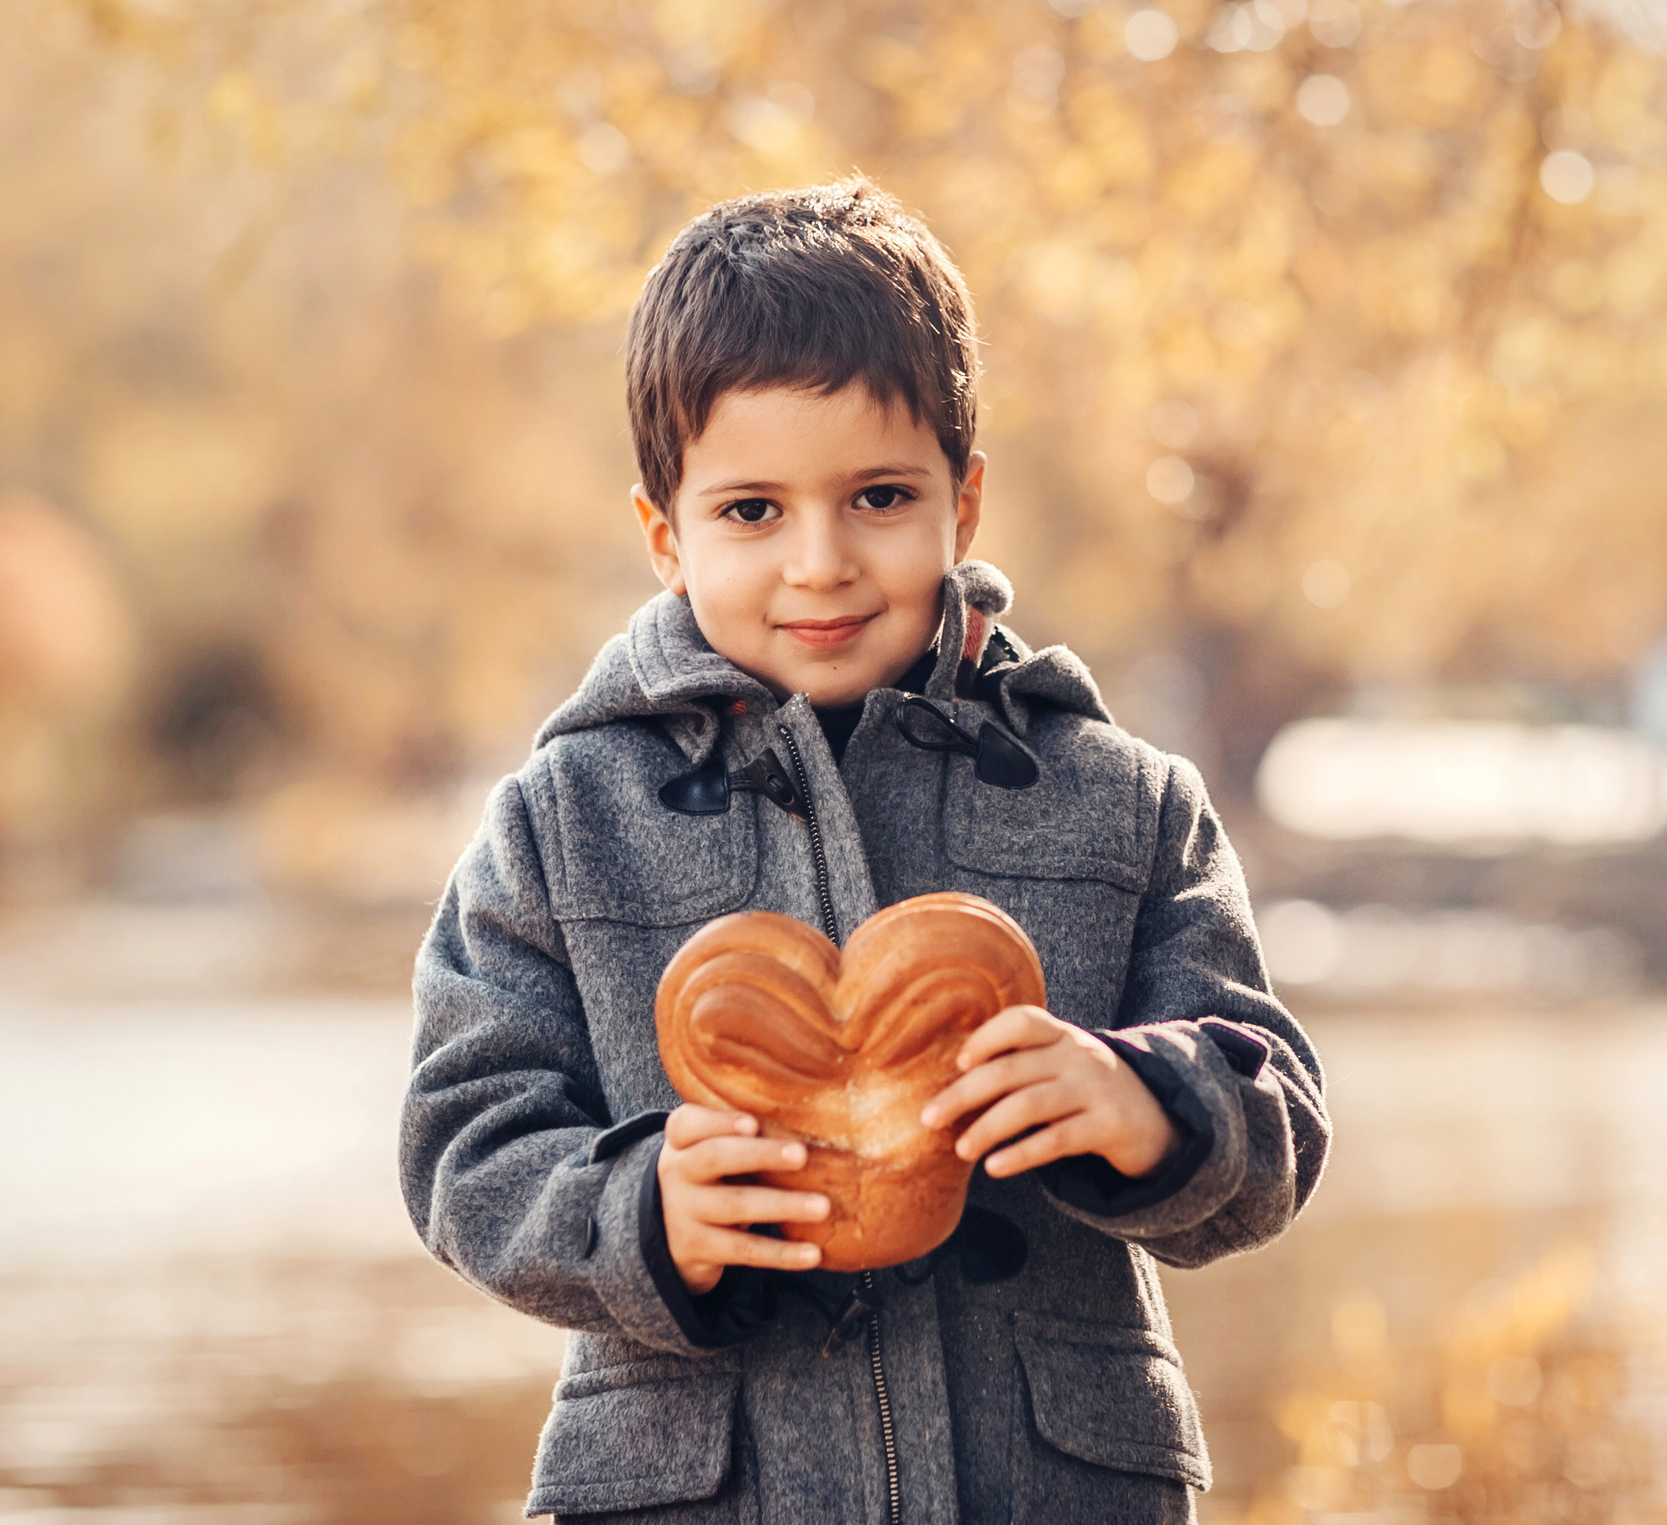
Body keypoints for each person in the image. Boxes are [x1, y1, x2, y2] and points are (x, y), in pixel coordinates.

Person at [401, 176, 1330, 1524]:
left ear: (966, 504)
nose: (821, 562)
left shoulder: (1122, 802)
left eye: (880, 496)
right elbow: (462, 1144)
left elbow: (1278, 1110)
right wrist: (643, 1210)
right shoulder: (564, 821)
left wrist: (1148, 1102)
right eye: (752, 511)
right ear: (665, 536)